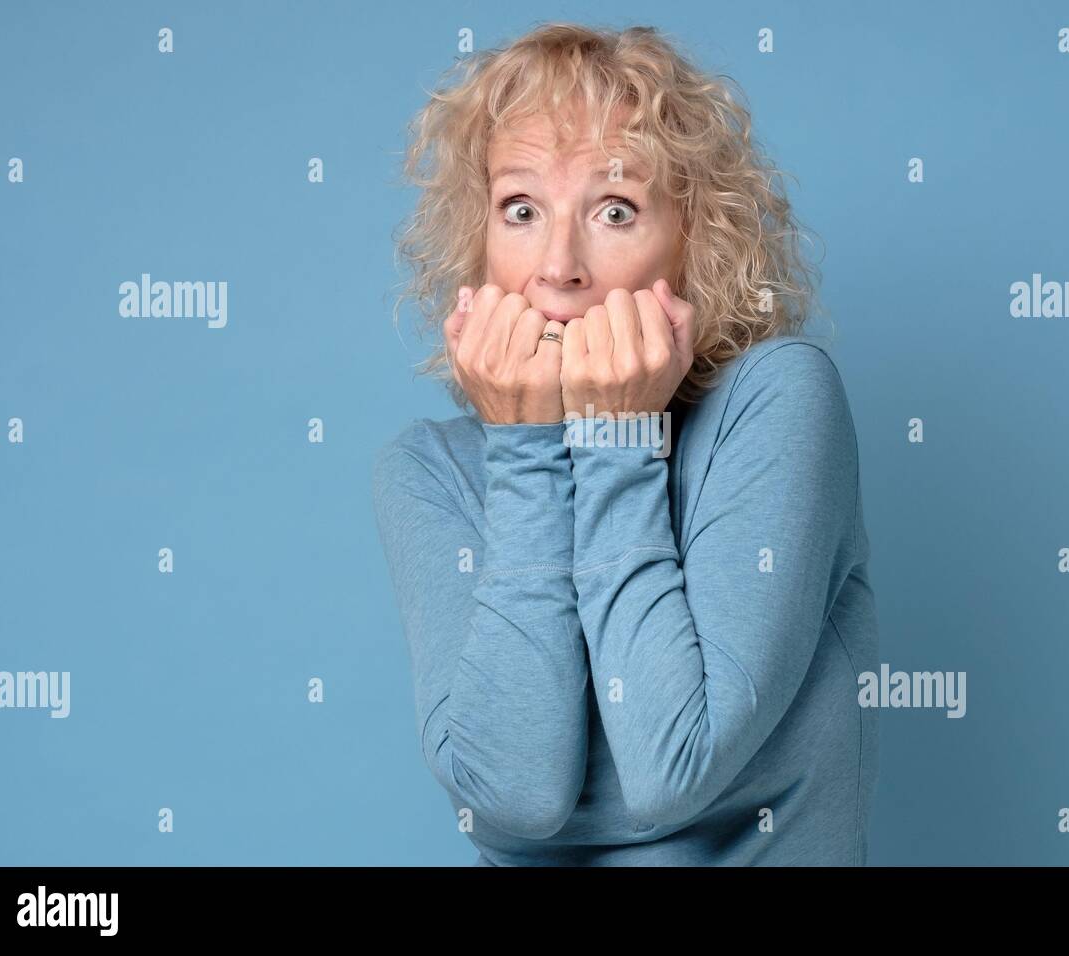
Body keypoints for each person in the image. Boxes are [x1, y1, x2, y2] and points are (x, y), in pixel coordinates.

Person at [373, 22, 879, 865]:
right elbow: (518, 791)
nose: (559, 266)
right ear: (481, 246)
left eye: (615, 210)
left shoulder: (779, 400)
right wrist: (529, 450)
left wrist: (617, 434)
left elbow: (673, 763)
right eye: (521, 209)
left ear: (694, 245)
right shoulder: (430, 471)